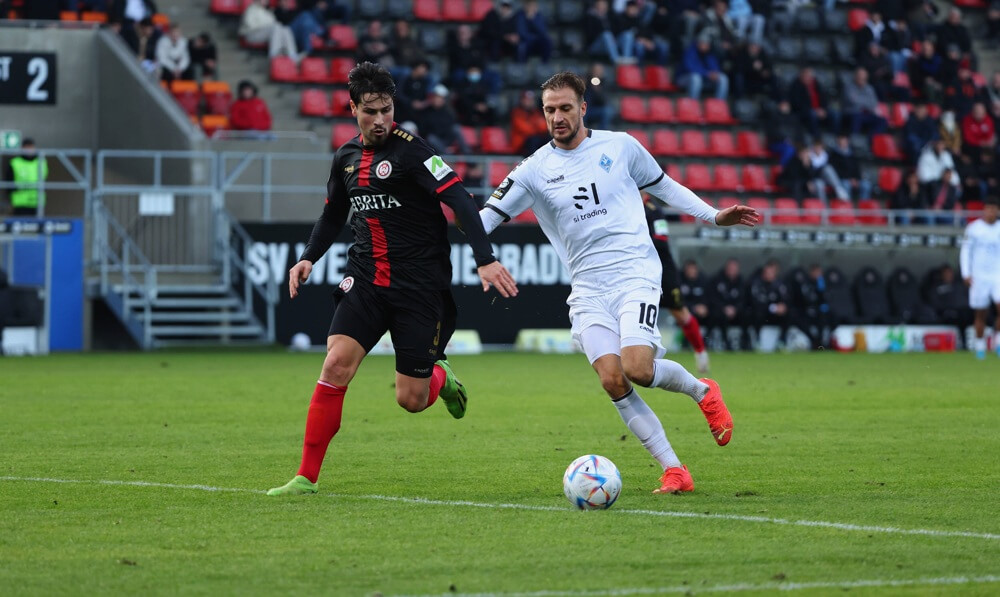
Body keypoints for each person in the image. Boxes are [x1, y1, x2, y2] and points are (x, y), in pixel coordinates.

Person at [478, 72, 759, 494]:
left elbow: (665, 187)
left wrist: (713, 214)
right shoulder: (533, 170)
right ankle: (675, 470)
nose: (557, 116)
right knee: (613, 379)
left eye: (565, 108)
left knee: (637, 368)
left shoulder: (620, 146)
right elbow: (483, 218)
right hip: (588, 288)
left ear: (583, 108)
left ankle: (702, 391)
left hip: (635, 273)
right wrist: (483, 258)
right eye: (549, 110)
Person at [267, 63, 517, 496]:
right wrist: (308, 257)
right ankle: (306, 477)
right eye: (371, 111)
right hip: (364, 280)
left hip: (419, 288)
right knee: (335, 364)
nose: (381, 119)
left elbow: (460, 198)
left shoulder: (415, 152)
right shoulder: (345, 158)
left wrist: (484, 259)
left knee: (411, 400)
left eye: (386, 109)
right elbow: (332, 215)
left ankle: (442, 379)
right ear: (353, 109)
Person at [645, 200, 711, 373]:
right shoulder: (625, 205)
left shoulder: (654, 210)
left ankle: (700, 352)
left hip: (664, 271)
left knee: (680, 313)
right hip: (641, 271)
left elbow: (661, 239)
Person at [959, 196, 1000, 359]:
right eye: (988, 209)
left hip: (997, 275)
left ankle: (997, 342)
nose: (991, 212)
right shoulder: (974, 228)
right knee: (980, 313)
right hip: (979, 276)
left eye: (994, 209)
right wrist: (966, 273)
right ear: (984, 210)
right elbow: (965, 251)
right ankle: (980, 345)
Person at [3, 139, 48, 217]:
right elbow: (9, 182)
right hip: (20, 202)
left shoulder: (41, 161)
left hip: (37, 201)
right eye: (27, 148)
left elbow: (44, 177)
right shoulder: (15, 162)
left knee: (37, 226)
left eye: (31, 148)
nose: (29, 150)